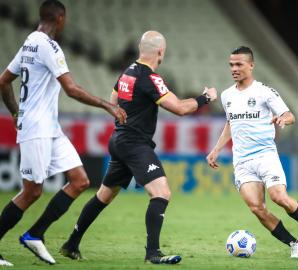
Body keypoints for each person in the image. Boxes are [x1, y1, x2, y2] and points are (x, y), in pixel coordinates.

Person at [59, 30, 217, 265]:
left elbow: (113, 102)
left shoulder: (127, 74)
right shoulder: (150, 78)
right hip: (134, 144)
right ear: (161, 52)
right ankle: (152, 253)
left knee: (104, 195)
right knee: (161, 192)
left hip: (120, 140)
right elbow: (181, 109)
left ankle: (71, 244)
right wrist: (205, 98)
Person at [0, 0, 127, 266]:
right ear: (60, 19)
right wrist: (107, 105)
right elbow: (71, 89)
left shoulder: (28, 43)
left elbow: (4, 81)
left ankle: (35, 234)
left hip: (49, 127)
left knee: (80, 180)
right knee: (32, 192)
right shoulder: (48, 46)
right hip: (37, 128)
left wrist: (15, 112)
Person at [206, 46, 298, 259]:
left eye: (239, 64)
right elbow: (231, 123)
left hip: (265, 155)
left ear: (251, 65)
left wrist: (282, 119)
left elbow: (290, 115)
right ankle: (293, 243)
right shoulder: (227, 96)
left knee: (278, 197)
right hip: (242, 161)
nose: (234, 68)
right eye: (231, 65)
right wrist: (216, 149)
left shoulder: (264, 91)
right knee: (257, 208)